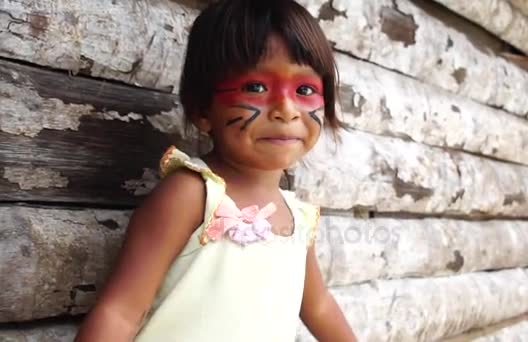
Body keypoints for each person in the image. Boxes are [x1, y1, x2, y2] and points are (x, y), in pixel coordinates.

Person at [75, 0, 355, 340]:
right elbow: (119, 313)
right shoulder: (193, 195)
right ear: (202, 109)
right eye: (256, 87)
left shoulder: (298, 217)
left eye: (305, 90)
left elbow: (319, 305)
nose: (286, 109)